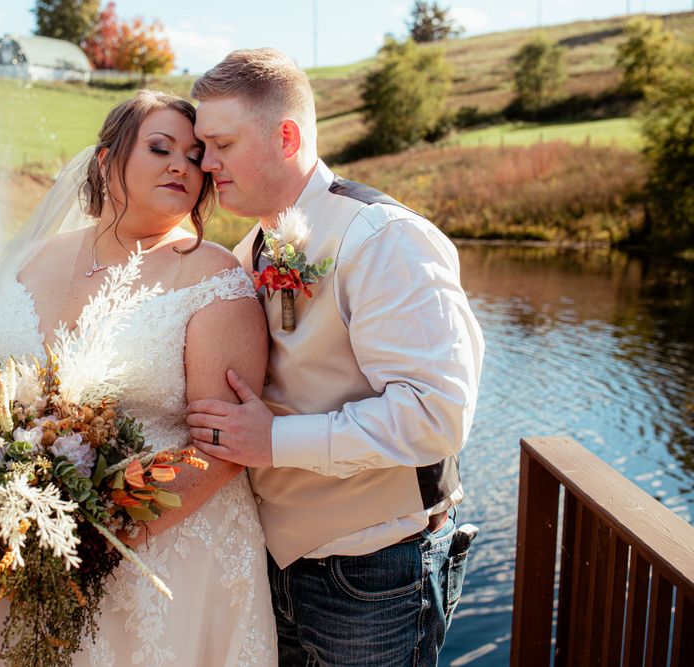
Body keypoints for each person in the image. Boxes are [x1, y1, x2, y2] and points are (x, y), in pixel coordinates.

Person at [0, 90, 278, 666]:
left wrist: (95, 538)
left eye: (196, 154)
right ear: (106, 161)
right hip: (15, 548)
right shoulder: (33, 258)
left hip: (157, 558)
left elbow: (222, 448)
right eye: (160, 147)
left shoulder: (212, 278)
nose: (182, 163)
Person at [186, 49, 485, 666]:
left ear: (286, 135)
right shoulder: (251, 248)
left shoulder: (382, 239)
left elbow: (437, 416)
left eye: (220, 143)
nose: (206, 163)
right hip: (277, 567)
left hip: (376, 570)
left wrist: (274, 442)